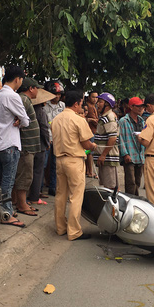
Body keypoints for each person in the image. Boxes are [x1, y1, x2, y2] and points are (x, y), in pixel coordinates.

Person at [51, 91, 97, 240]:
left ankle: (61, 227)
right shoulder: (78, 120)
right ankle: (74, 231)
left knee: (60, 195)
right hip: (74, 160)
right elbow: (86, 143)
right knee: (76, 196)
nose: (81, 106)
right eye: (81, 103)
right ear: (76, 103)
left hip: (59, 159)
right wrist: (93, 146)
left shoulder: (56, 119)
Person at [0, 66, 29, 227]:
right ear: (17, 79)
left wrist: (17, 119)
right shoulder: (12, 96)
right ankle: (6, 213)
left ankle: (4, 208)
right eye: (21, 80)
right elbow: (26, 120)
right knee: (8, 181)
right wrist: (20, 120)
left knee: (3, 180)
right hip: (10, 144)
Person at [12, 78, 42, 216]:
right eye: (37, 88)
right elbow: (16, 118)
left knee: (24, 174)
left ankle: (18, 202)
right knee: (25, 175)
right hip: (26, 146)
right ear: (31, 88)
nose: (38, 91)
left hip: (29, 145)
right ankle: (22, 204)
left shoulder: (25, 99)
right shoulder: (23, 99)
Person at [28, 88, 54, 206]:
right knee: (38, 171)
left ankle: (30, 194)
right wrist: (47, 142)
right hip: (40, 145)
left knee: (30, 171)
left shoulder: (30, 109)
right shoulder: (41, 112)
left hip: (29, 143)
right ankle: (34, 196)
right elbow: (44, 128)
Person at [118, 96, 146, 195]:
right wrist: (125, 154)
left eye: (141, 106)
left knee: (137, 182)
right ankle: (132, 202)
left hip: (140, 155)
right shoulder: (123, 121)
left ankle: (135, 201)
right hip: (129, 155)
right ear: (131, 107)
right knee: (131, 182)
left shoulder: (142, 121)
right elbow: (120, 138)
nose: (140, 108)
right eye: (138, 106)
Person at [93, 93, 120, 189]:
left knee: (110, 188)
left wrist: (103, 155)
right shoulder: (104, 117)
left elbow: (112, 138)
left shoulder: (109, 117)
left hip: (108, 159)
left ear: (107, 105)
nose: (97, 104)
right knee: (105, 186)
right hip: (104, 159)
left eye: (100, 102)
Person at [43, 80, 65, 195]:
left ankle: (53, 187)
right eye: (55, 94)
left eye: (59, 94)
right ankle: (40, 188)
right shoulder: (44, 105)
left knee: (56, 164)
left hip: (58, 139)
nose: (57, 96)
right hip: (47, 138)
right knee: (44, 163)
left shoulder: (63, 106)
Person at [84, 91, 99, 178]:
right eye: (93, 97)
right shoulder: (89, 107)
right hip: (90, 131)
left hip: (92, 131)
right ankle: (90, 172)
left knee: (89, 152)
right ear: (89, 97)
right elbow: (95, 120)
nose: (95, 99)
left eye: (96, 97)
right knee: (90, 152)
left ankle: (88, 171)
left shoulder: (94, 106)